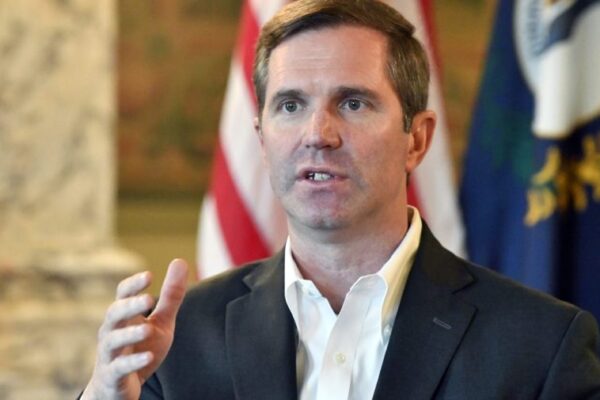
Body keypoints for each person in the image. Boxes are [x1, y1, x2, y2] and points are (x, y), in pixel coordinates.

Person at [81, 0, 600, 399]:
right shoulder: (176, 340)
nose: (317, 134)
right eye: (290, 105)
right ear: (261, 139)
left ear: (416, 139)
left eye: (352, 103)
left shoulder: (541, 345)